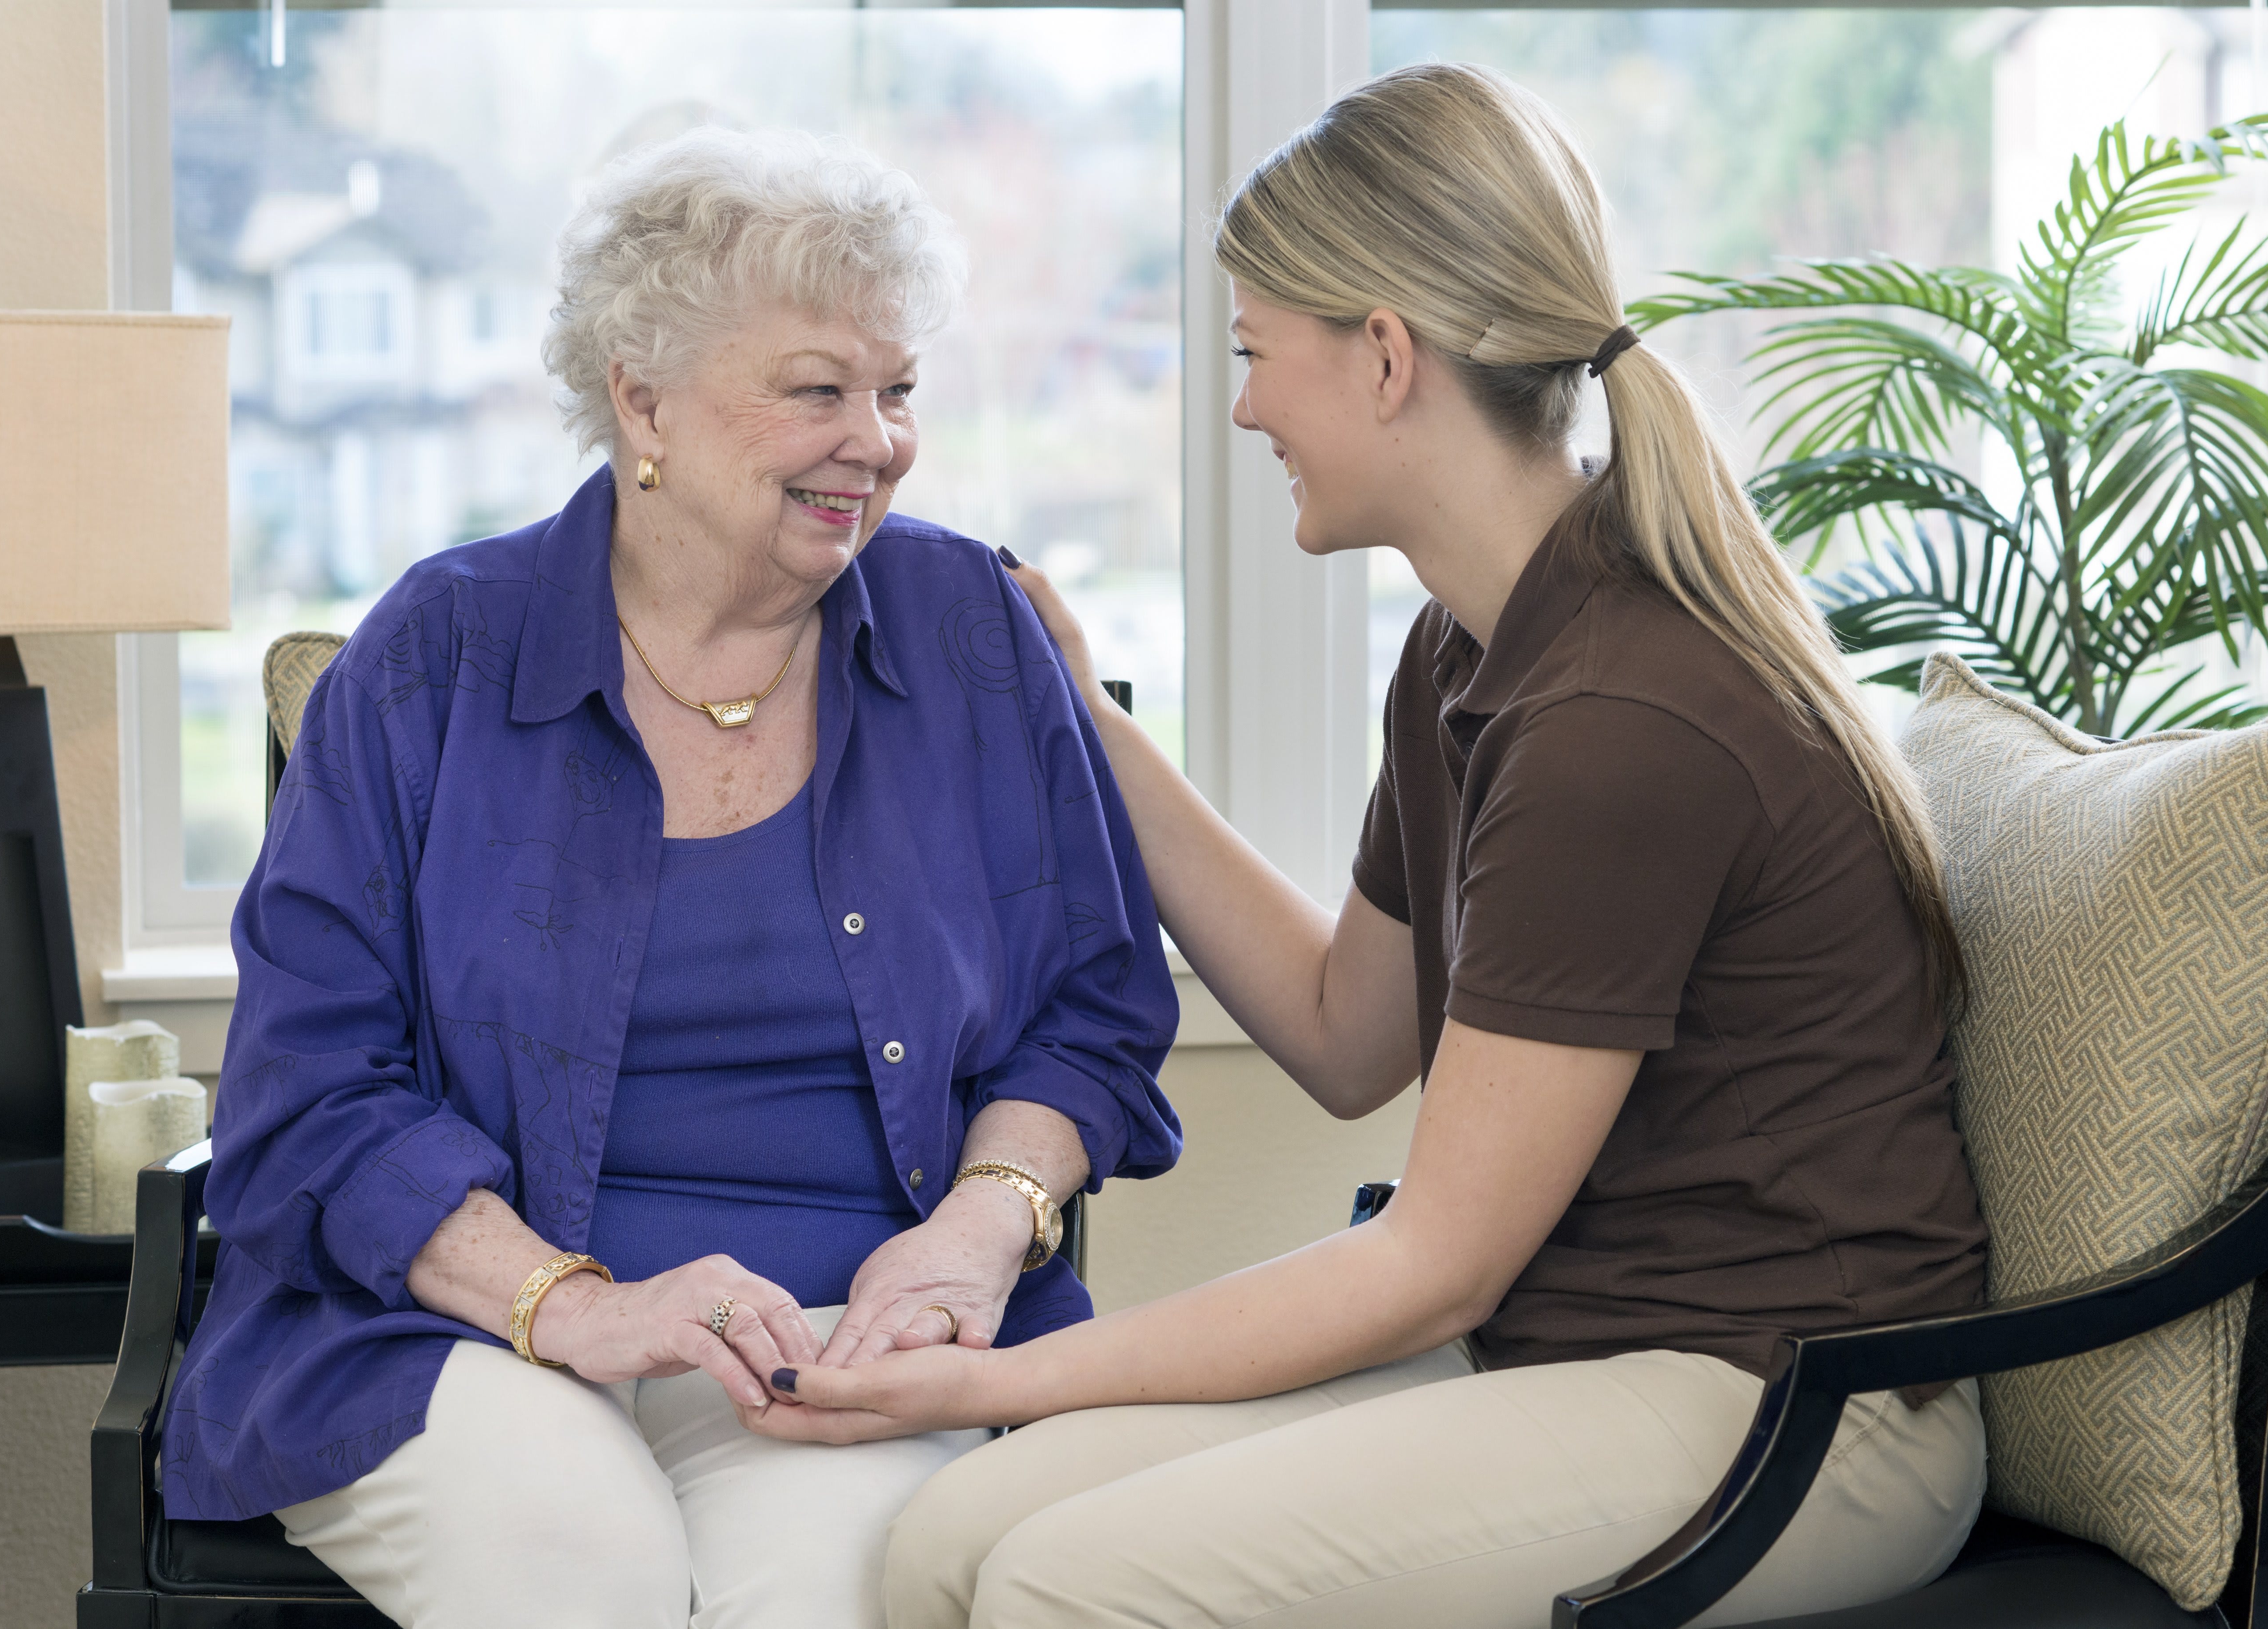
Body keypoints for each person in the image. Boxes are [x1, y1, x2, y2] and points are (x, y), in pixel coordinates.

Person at [743, 63, 1991, 1629]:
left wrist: (1003, 1373)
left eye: (1262, 354)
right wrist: (1093, 732)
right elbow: (1349, 1034)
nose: (1250, 404)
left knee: (1065, 1581)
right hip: (1578, 1349)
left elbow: (1431, 1266)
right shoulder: (1469, 652)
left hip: (1795, 1409)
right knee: (941, 1540)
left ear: (1387, 356)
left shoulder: (1624, 717)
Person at [158, 127, 1181, 1629]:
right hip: (458, 1333)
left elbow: (1092, 1015)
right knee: (581, 1565)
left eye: (898, 392)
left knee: (840, 1594)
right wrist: (578, 1306)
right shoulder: (434, 657)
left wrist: (975, 1235)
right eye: (819, 390)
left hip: (848, 1340)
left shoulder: (971, 627)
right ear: (639, 396)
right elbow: (305, 1093)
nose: (878, 441)